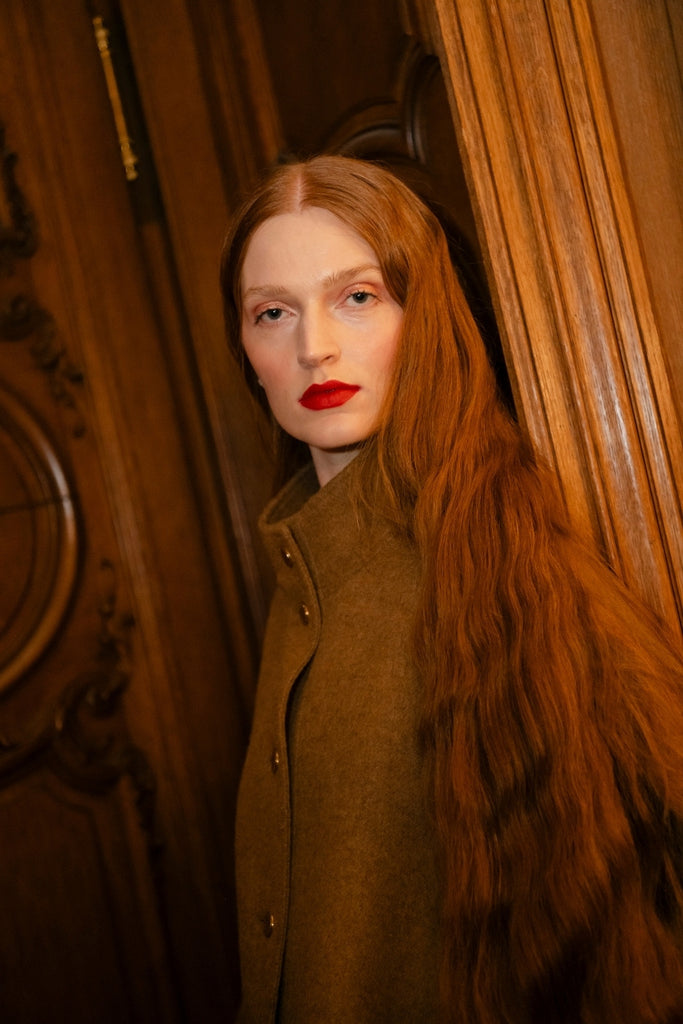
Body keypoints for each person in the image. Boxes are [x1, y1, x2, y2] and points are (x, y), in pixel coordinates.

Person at [220, 155, 683, 1024]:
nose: (313, 346)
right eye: (272, 312)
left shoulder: (512, 564)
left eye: (358, 297)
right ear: (246, 353)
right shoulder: (298, 584)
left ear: (424, 316)